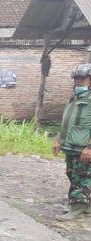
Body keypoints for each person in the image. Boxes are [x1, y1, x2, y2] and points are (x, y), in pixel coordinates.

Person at [55, 64, 91, 221]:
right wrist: (57, 140)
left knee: (80, 177)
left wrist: (89, 147)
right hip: (70, 146)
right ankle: (85, 205)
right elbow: (67, 123)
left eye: (82, 78)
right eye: (76, 78)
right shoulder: (74, 99)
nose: (78, 81)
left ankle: (77, 208)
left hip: (84, 148)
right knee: (72, 174)